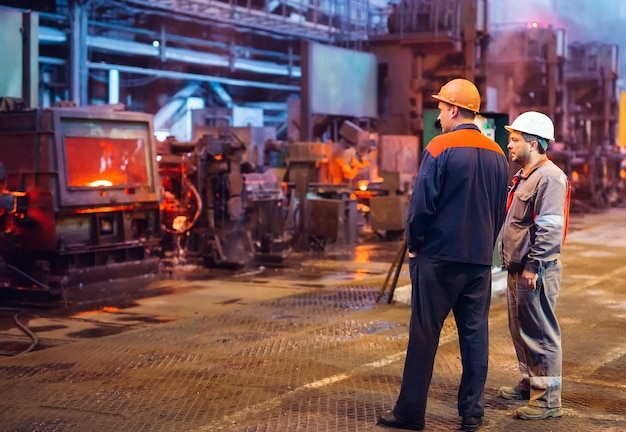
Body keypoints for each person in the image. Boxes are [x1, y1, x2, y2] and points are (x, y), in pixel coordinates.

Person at [377, 78, 509, 431]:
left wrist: (415, 242)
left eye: (441, 107)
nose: (439, 114)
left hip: (437, 259)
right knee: (474, 337)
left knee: (424, 336)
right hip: (479, 261)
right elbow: (500, 210)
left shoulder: (439, 147)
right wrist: (484, 245)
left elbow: (422, 205)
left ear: (453, 109)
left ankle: (410, 414)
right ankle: (471, 415)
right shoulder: (498, 154)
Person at [497, 111, 570, 420]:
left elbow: (550, 229)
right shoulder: (527, 175)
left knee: (540, 333)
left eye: (515, 140)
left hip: (534, 270)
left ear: (534, 143)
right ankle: (530, 384)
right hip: (519, 268)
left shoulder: (551, 178)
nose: (509, 144)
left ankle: (547, 400)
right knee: (521, 331)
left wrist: (533, 267)